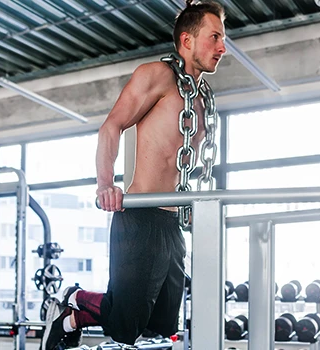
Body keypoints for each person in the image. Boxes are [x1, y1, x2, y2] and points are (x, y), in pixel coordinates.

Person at [40, 1, 226, 349]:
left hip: (172, 223)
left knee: (163, 323)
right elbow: (111, 127)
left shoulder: (202, 98)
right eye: (214, 37)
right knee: (125, 327)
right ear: (186, 40)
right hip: (140, 217)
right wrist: (105, 184)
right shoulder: (155, 76)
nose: (222, 47)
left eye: (223, 39)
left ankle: (77, 313)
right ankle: (74, 299)